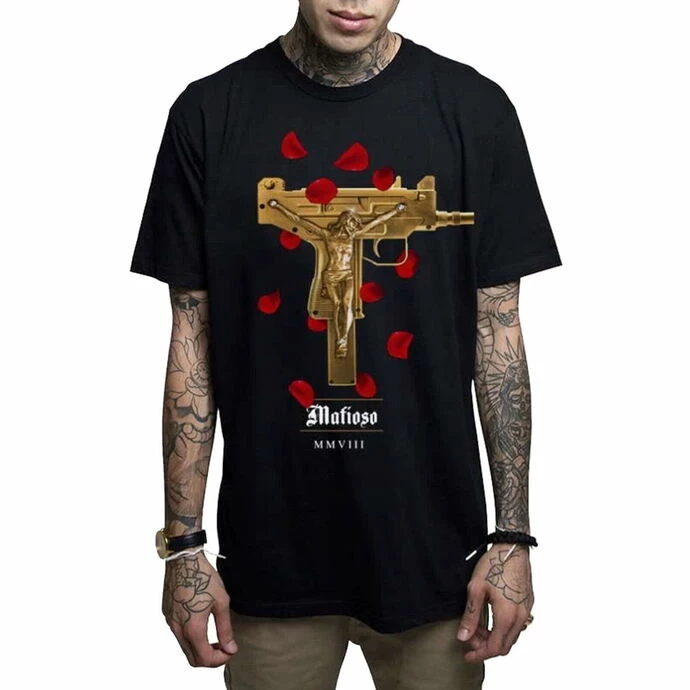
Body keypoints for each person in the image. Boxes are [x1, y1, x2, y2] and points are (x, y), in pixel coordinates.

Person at [129, 1, 562, 688]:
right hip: (269, 560)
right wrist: (182, 546)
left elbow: (499, 337)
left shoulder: (474, 109)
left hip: (436, 561)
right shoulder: (211, 113)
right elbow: (192, 340)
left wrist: (512, 537)